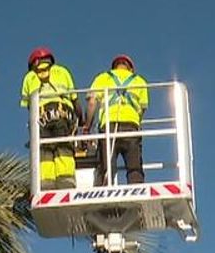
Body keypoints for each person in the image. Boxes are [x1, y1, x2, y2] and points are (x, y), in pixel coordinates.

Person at [86, 54, 149, 185]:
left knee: (106, 169)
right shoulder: (139, 81)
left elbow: (92, 103)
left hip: (108, 125)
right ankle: (136, 191)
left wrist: (87, 126)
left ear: (114, 67)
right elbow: (142, 109)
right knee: (134, 168)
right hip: (131, 126)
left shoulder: (103, 78)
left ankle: (103, 194)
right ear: (130, 69)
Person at [20, 47, 78, 189]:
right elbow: (74, 98)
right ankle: (66, 181)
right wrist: (80, 119)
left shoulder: (29, 77)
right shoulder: (63, 71)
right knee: (63, 148)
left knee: (44, 150)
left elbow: (27, 105)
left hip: (40, 117)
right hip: (63, 113)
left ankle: (46, 183)